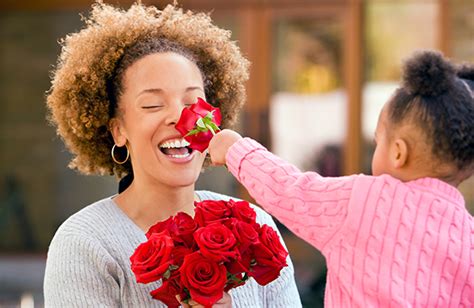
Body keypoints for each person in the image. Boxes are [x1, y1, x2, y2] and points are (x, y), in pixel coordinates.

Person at [43, 2, 302, 307]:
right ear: (118, 130)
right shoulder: (85, 243)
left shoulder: (253, 225)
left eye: (193, 101)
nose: (181, 119)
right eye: (153, 105)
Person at [209, 50, 474, 307]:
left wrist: (236, 150)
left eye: (378, 140)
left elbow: (292, 191)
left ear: (398, 153)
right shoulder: (468, 236)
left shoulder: (364, 200)